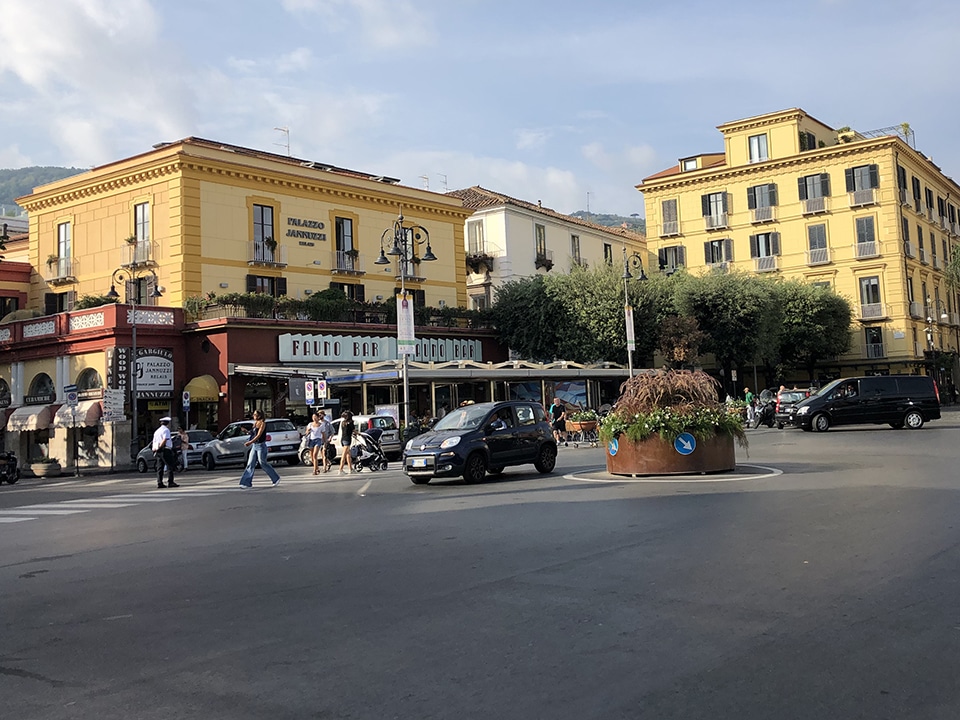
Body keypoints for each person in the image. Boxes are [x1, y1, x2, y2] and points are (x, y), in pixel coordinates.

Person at [239, 409, 281, 488]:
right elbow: (252, 433)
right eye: (253, 414)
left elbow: (258, 435)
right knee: (250, 463)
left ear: (259, 415)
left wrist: (249, 442)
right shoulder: (255, 424)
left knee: (263, 463)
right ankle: (246, 483)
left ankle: (276, 478)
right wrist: (246, 431)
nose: (253, 416)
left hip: (261, 446)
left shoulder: (262, 424)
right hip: (254, 446)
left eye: (255, 415)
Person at [151, 417, 179, 489]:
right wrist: (161, 446)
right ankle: (170, 482)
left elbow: (154, 441)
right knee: (170, 465)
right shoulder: (166, 430)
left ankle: (159, 482)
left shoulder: (157, 431)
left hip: (158, 450)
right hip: (165, 449)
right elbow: (164, 440)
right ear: (168, 423)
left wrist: (155, 449)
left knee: (160, 467)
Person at [338, 410, 356, 474]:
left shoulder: (343, 422)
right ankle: (340, 469)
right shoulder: (350, 423)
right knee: (344, 454)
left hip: (343, 439)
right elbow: (354, 431)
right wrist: (358, 434)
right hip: (347, 439)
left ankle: (350, 469)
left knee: (348, 455)